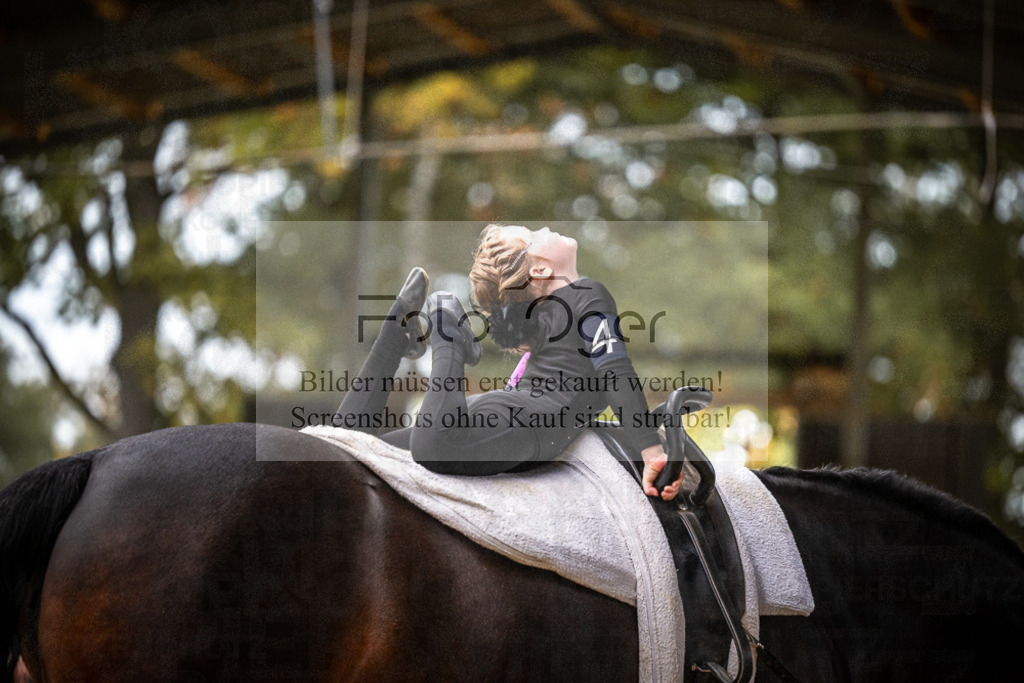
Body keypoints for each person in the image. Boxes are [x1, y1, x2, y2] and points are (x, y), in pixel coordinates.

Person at [333, 224, 683, 500]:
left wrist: (646, 447)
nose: (544, 229)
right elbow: (613, 369)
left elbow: (611, 368)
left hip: (510, 414)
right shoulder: (587, 293)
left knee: (349, 451)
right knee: (344, 451)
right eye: (533, 236)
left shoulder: (573, 304)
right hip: (524, 416)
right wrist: (651, 451)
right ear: (542, 269)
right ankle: (446, 328)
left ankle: (396, 338)